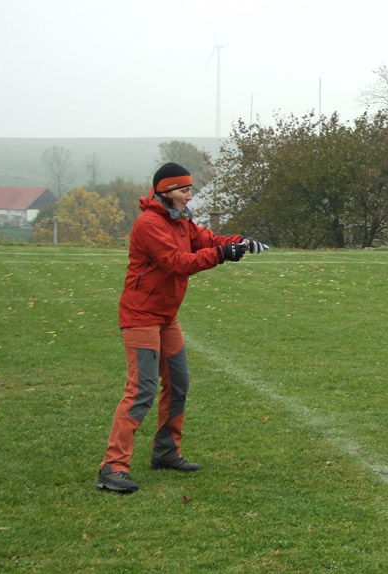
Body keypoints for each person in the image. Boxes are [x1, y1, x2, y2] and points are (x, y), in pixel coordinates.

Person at [97, 162, 268, 493]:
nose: (189, 197)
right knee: (142, 390)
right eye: (184, 190)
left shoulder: (181, 219)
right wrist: (222, 254)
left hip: (165, 317)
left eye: (190, 190)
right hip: (141, 316)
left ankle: (166, 453)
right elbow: (177, 263)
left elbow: (208, 239)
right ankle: (113, 467)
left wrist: (239, 242)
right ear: (165, 191)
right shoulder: (150, 224)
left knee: (178, 383)